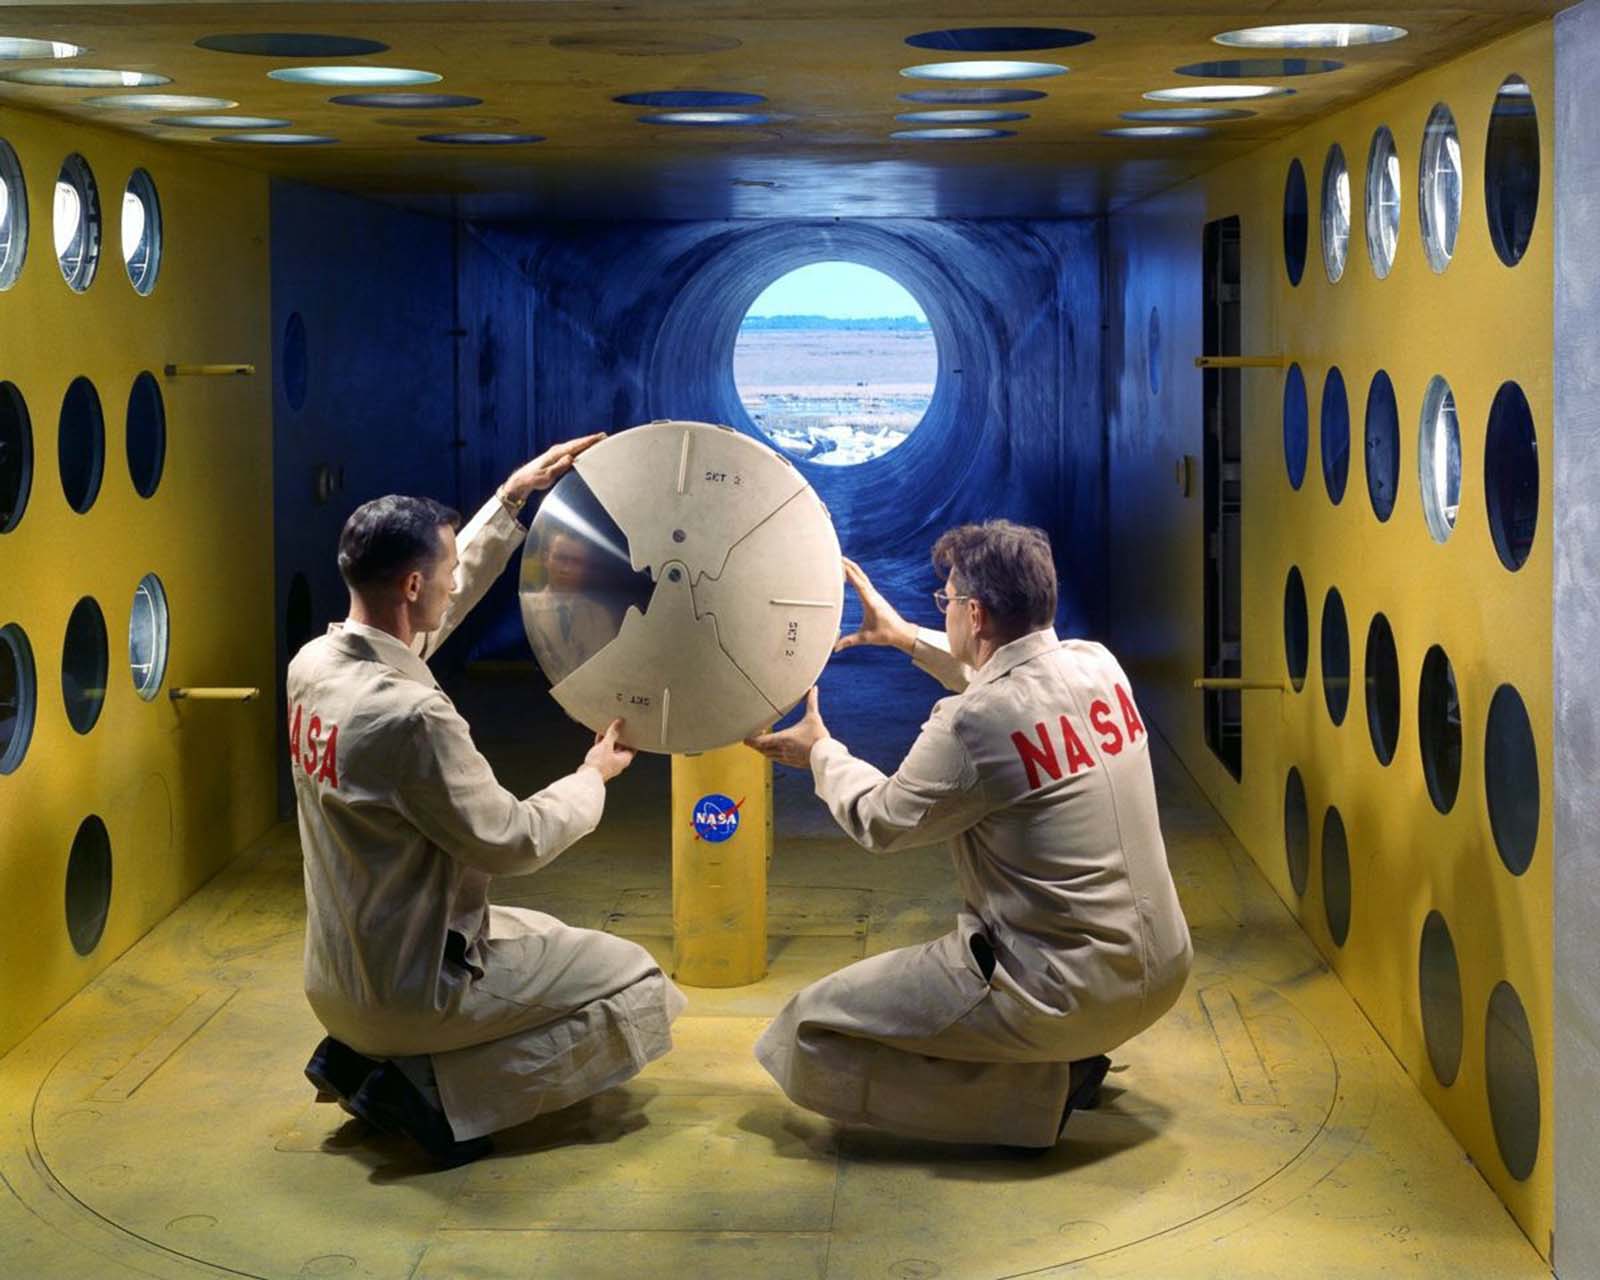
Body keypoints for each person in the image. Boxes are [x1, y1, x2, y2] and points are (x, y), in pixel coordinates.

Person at [288, 433, 686, 1166]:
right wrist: (592, 776)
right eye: (438, 575)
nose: (450, 585)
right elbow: (514, 840)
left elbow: (427, 614)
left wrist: (510, 501)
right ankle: (439, 1096)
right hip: (413, 992)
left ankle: (364, 1064)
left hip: (335, 977)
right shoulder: (415, 719)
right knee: (641, 987)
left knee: (536, 930)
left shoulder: (314, 668)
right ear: (413, 586)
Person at [745, 524, 1192, 1150]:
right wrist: (905, 638)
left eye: (946, 600)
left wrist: (820, 752)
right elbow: (1009, 680)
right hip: (1164, 967)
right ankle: (1064, 1060)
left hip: (1062, 993)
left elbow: (879, 821)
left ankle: (1039, 1094)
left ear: (974, 614)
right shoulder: (1099, 665)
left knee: (806, 1033)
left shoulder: (968, 724)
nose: (944, 607)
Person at [520, 527, 622, 684]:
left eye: (576, 561)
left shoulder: (599, 615)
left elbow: (605, 669)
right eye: (561, 558)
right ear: (545, 558)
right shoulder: (525, 607)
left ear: (585, 566)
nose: (566, 568)